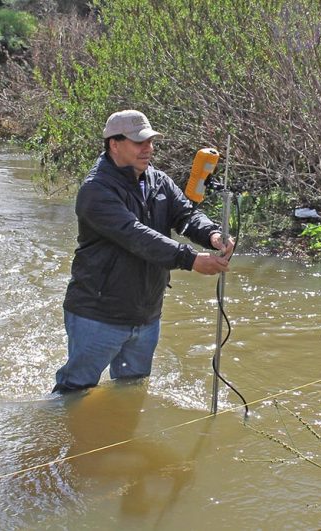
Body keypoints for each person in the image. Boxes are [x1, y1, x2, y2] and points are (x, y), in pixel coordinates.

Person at [53, 109, 233, 393]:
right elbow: (135, 235)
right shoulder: (96, 191)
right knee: (74, 391)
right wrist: (190, 259)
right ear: (114, 143)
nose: (147, 148)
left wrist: (212, 234)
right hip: (98, 314)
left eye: (150, 141)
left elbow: (185, 215)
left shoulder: (158, 180)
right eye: (139, 142)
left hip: (147, 313)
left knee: (131, 390)